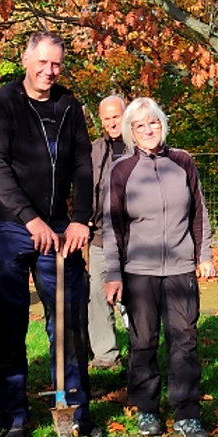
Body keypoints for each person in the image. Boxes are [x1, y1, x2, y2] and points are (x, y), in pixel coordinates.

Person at [0, 31, 102, 437]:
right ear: (26, 59)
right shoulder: (4, 103)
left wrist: (81, 219)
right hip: (7, 226)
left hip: (60, 228)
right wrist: (29, 219)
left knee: (68, 319)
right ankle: (14, 415)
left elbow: (84, 165)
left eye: (56, 64)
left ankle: (76, 410)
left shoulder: (68, 106)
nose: (49, 72)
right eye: (43, 63)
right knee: (10, 323)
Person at [102, 98, 216, 437]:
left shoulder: (182, 162)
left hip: (181, 266)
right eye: (139, 126)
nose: (148, 130)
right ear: (130, 132)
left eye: (153, 123)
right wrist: (113, 274)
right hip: (139, 270)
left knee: (184, 341)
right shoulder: (121, 171)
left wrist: (204, 254)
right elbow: (114, 227)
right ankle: (147, 409)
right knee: (143, 342)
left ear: (163, 126)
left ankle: (186, 413)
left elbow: (198, 211)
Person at [88, 95, 127, 370]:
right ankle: (106, 355)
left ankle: (142, 351)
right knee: (95, 293)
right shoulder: (94, 151)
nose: (113, 123)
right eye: (107, 118)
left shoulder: (141, 146)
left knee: (136, 295)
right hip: (100, 235)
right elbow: (85, 188)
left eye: (117, 116)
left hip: (136, 237)